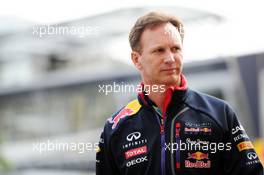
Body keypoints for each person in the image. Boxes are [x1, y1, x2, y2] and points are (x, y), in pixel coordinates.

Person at [96, 11, 264, 175]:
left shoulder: (220, 114)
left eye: (175, 48)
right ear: (136, 59)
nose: (170, 58)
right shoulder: (115, 127)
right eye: (159, 50)